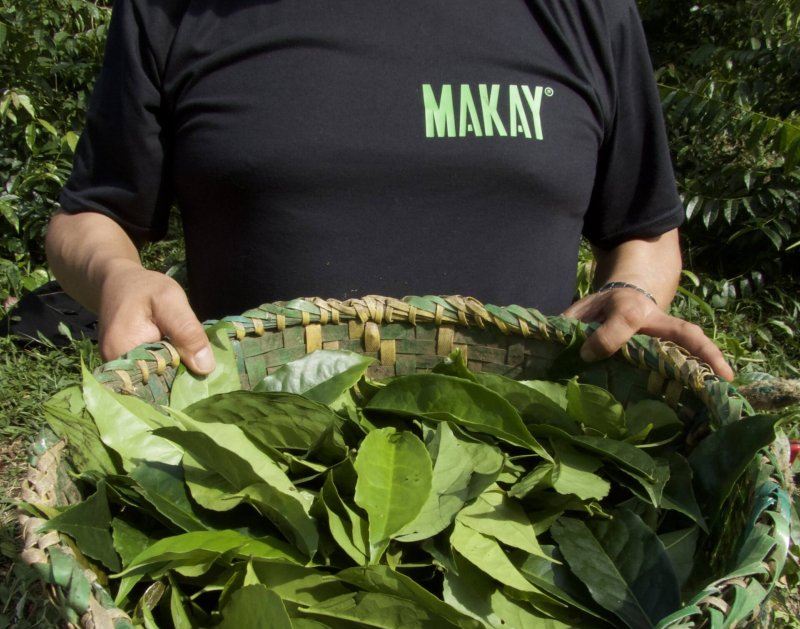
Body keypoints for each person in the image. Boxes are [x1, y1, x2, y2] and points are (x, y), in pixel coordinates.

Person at [45, 0, 734, 381]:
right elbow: (90, 216)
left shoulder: (586, 12)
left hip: (525, 476)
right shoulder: (177, 11)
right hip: (253, 476)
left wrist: (634, 293)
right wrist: (116, 276)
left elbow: (644, 230)